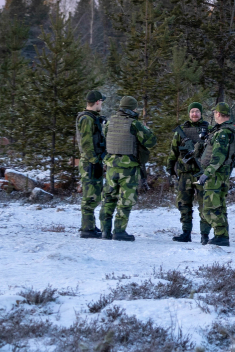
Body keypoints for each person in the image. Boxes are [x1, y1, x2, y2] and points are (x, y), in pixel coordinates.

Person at [99, 96, 157, 241]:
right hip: (128, 168)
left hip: (111, 166)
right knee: (126, 198)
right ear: (133, 108)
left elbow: (104, 139)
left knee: (108, 197)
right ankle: (119, 231)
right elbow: (151, 141)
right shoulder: (134, 124)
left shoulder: (109, 122)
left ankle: (105, 231)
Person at [198, 102, 235, 247]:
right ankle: (221, 235)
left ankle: (221, 236)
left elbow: (218, 157)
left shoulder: (223, 133)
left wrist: (207, 173)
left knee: (211, 207)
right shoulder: (226, 130)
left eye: (214, 113)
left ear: (218, 114)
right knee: (219, 206)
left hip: (215, 175)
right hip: (221, 175)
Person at [167, 102, 210, 243]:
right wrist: (170, 168)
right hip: (184, 174)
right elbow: (173, 151)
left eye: (197, 111)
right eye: (192, 111)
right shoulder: (182, 131)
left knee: (204, 204)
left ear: (201, 113)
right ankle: (186, 233)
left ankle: (205, 235)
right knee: (184, 204)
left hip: (202, 174)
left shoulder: (208, 130)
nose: (195, 114)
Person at [76, 90, 106, 238]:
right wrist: (93, 160)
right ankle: (86, 229)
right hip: (90, 162)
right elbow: (86, 142)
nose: (102, 104)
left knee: (94, 195)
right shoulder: (86, 119)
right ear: (97, 102)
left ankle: (90, 226)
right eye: (102, 102)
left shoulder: (93, 118)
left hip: (93, 160)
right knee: (89, 196)